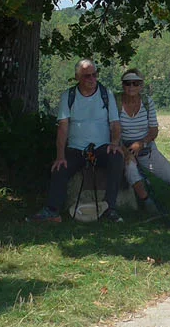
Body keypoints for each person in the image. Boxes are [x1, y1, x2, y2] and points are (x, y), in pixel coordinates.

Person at [33, 59, 124, 224]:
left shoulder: (106, 94)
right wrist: (60, 155)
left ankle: (110, 208)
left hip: (102, 148)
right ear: (77, 78)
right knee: (59, 168)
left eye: (94, 74)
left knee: (116, 159)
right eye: (87, 76)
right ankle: (52, 211)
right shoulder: (69, 96)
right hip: (76, 149)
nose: (92, 79)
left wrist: (115, 142)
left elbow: (115, 123)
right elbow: (63, 128)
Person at [116, 69, 170, 216]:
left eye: (135, 83)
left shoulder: (147, 102)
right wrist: (124, 150)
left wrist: (141, 143)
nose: (131, 87)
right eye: (127, 83)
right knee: (131, 171)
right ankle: (149, 205)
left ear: (141, 86)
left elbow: (154, 130)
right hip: (123, 147)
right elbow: (111, 130)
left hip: (146, 148)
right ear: (123, 85)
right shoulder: (115, 103)